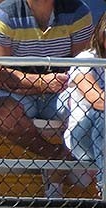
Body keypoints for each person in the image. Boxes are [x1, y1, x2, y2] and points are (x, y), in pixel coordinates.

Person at [0, 0, 93, 196]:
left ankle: (69, 167)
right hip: (22, 92)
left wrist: (50, 82)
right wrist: (42, 82)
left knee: (87, 105)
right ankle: (60, 157)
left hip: (60, 90)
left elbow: (84, 66)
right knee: (2, 113)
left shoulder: (78, 11)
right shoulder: (4, 14)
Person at [65, 11, 105, 192]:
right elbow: (97, 100)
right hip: (82, 136)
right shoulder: (86, 59)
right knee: (103, 115)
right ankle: (104, 187)